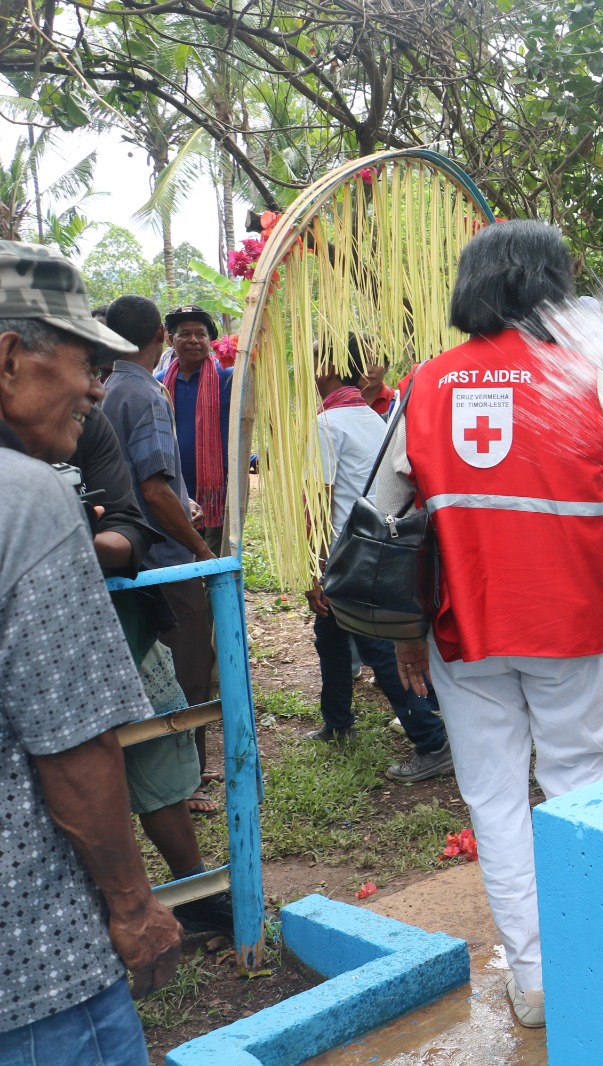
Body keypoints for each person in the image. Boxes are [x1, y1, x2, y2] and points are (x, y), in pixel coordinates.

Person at [373, 220, 603, 1030]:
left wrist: (406, 634)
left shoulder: (425, 386)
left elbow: (381, 524)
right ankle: (598, 954)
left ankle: (535, 976)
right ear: (550, 289)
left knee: (494, 797)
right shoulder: (584, 381)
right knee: (582, 783)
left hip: (462, 631)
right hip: (568, 627)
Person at [0, 240, 182, 1063]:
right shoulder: (27, 500)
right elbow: (72, 748)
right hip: (34, 965)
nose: (94, 387)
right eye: (82, 361)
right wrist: (134, 907)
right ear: (9, 357)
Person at [68, 400, 235, 934]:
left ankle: (193, 891)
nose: (94, 387)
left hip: (123, 636)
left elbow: (128, 528)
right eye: (86, 367)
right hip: (34, 657)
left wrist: (60, 532)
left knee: (156, 761)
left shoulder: (88, 422)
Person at [302, 335, 454, 784]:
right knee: (329, 634)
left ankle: (431, 741)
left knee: (376, 648)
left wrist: (315, 566)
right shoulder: (373, 418)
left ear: (326, 368)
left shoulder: (328, 424)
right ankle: (337, 719)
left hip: (348, 553)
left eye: (314, 362)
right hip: (376, 547)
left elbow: (318, 500)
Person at [103, 295, 221, 807]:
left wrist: (185, 502)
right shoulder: (146, 394)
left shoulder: (110, 389)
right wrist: (198, 548)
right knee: (190, 665)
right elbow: (152, 488)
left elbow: (152, 480)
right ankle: (185, 781)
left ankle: (180, 771)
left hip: (130, 553)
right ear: (160, 337)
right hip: (163, 560)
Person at [162, 304, 232, 556]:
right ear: (170, 338)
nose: (193, 340)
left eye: (200, 334)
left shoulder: (228, 378)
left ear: (210, 340)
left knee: (217, 557)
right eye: (184, 333)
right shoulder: (159, 382)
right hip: (175, 487)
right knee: (181, 554)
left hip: (218, 491)